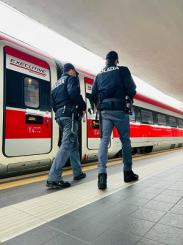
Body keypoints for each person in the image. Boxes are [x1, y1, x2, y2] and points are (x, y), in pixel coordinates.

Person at [91, 51, 139, 190]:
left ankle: (101, 176)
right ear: (116, 60)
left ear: (106, 61)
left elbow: (93, 95)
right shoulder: (123, 70)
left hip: (105, 111)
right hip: (120, 110)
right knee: (125, 141)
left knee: (104, 140)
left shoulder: (99, 75)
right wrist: (127, 96)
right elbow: (132, 89)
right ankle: (127, 173)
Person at [46, 63, 86, 189]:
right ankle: (54, 177)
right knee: (67, 144)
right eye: (75, 72)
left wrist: (59, 114)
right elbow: (73, 94)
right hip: (69, 115)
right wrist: (83, 106)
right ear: (72, 70)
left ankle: (77, 173)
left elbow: (52, 104)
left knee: (73, 144)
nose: (76, 75)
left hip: (60, 116)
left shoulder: (55, 85)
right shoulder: (71, 79)